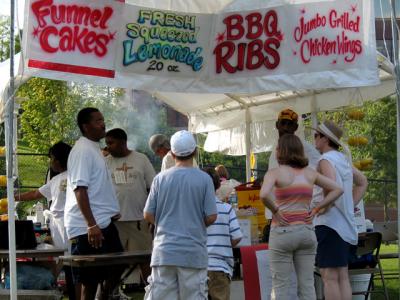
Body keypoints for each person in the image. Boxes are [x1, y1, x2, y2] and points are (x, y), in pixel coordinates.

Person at [260, 134, 343, 300]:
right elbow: (338, 189)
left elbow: (263, 194)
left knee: (280, 286)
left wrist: (276, 211)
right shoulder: (310, 173)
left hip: (282, 231)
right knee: (307, 285)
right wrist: (318, 208)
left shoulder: (274, 173)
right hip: (306, 231)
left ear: (281, 151)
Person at [143, 130, 217, 300]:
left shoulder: (160, 179)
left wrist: (166, 223)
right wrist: (194, 223)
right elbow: (212, 216)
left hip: (164, 252)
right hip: (193, 252)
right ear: (195, 151)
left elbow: (148, 214)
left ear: (172, 152)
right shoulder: (204, 179)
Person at [64, 107, 124, 300]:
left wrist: (110, 210)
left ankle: (103, 297)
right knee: (89, 282)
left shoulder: (94, 149)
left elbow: (97, 187)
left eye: (103, 119)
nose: (103, 124)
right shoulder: (82, 151)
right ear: (86, 126)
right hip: (87, 227)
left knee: (118, 266)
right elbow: (79, 189)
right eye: (98, 121)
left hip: (102, 221)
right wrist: (91, 224)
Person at [313, 120, 368, 300]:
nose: (314, 139)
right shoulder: (343, 159)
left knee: (329, 277)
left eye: (316, 135)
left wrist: (321, 207)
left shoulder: (325, 160)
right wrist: (348, 205)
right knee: (342, 276)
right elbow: (362, 182)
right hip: (345, 226)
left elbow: (332, 186)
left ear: (325, 139)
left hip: (330, 225)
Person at [105, 128, 155, 285]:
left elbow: (153, 188)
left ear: (123, 142)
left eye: (111, 143)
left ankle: (151, 293)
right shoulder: (106, 162)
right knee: (112, 264)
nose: (107, 147)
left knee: (144, 261)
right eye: (106, 143)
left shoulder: (141, 159)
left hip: (139, 221)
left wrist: (153, 216)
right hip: (113, 223)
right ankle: (110, 294)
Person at [15, 141, 71, 250]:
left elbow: (35, 194)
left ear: (58, 161)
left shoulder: (74, 176)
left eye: (51, 159)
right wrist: (14, 197)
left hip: (68, 223)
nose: (50, 162)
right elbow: (35, 194)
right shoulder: (55, 180)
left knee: (67, 254)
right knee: (60, 254)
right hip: (57, 225)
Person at [204, 168, 242, 300]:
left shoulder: (193, 210)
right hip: (220, 268)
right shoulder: (227, 209)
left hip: (197, 268)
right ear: (218, 185)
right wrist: (224, 243)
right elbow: (237, 237)